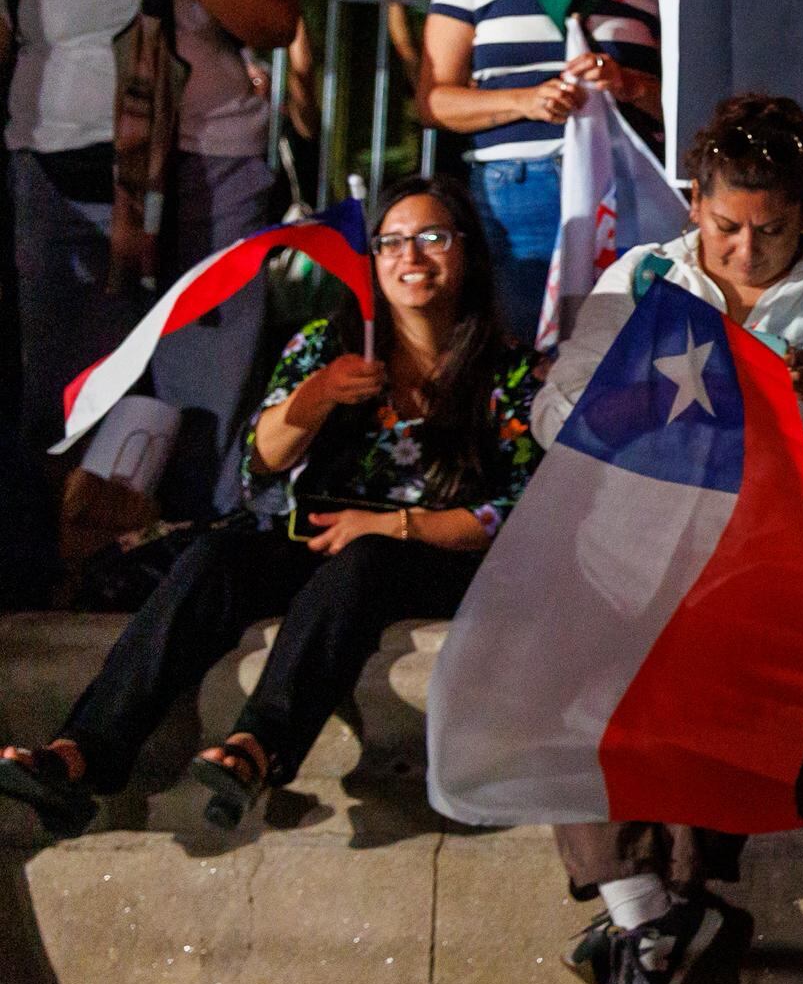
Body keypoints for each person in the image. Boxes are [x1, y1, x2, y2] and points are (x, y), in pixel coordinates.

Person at [539, 92, 803, 984]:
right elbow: (554, 416)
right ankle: (659, 914)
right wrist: (628, 396)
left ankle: (649, 919)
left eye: (773, 230)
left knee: (679, 675)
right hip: (643, 556)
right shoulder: (642, 281)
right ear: (693, 206)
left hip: (789, 565)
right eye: (727, 228)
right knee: (563, 685)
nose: (748, 251)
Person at [0, 178, 536, 838]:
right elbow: (264, 460)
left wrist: (395, 524)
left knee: (363, 560)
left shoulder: (513, 373)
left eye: (433, 238)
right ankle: (80, 754)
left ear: (467, 255)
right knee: (216, 556)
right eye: (392, 242)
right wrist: (317, 396)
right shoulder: (327, 345)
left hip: (432, 554)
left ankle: (257, 747)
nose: (412, 258)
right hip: (322, 540)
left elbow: (514, 513)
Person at [2, 0, 303, 491]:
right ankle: (64, 560)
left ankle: (192, 538)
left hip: (207, 164)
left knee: (204, 366)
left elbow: (275, 24)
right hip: (65, 173)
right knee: (70, 372)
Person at [420, 0, 663, 338]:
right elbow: (434, 102)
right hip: (519, 196)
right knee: (527, 352)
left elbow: (695, 102)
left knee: (629, 351)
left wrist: (631, 84)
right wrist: (525, 102)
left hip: (630, 194)